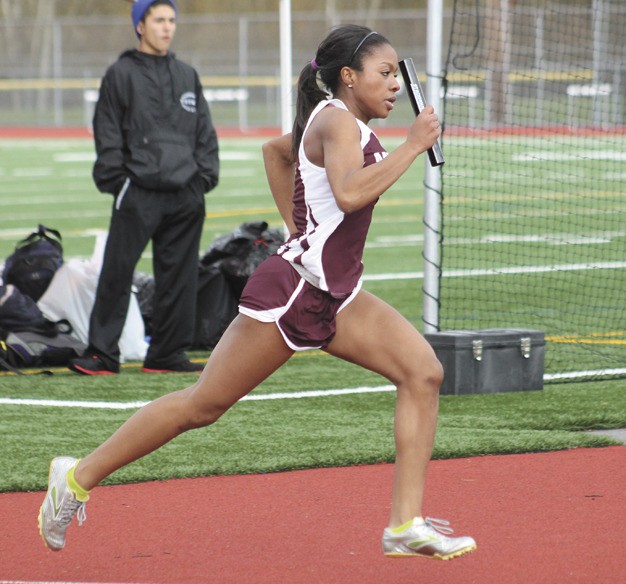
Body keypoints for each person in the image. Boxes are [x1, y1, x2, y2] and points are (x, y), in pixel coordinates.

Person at [39, 24, 476, 560]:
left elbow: (276, 153)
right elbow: (349, 193)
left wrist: (298, 227)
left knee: (423, 372)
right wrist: (412, 145)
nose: (393, 85)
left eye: (395, 76)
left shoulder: (339, 121)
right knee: (202, 405)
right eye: (384, 74)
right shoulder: (338, 121)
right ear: (348, 77)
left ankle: (404, 525)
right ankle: (77, 476)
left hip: (337, 293)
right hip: (295, 293)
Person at [68, 0, 219, 376]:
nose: (167, 27)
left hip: (185, 194)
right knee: (117, 273)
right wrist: (118, 181)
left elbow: (204, 132)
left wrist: (203, 178)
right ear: (140, 25)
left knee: (179, 279)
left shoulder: (187, 74)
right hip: (137, 192)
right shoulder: (119, 74)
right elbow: (107, 131)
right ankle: (102, 354)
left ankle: (167, 354)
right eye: (159, 20)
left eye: (171, 20)